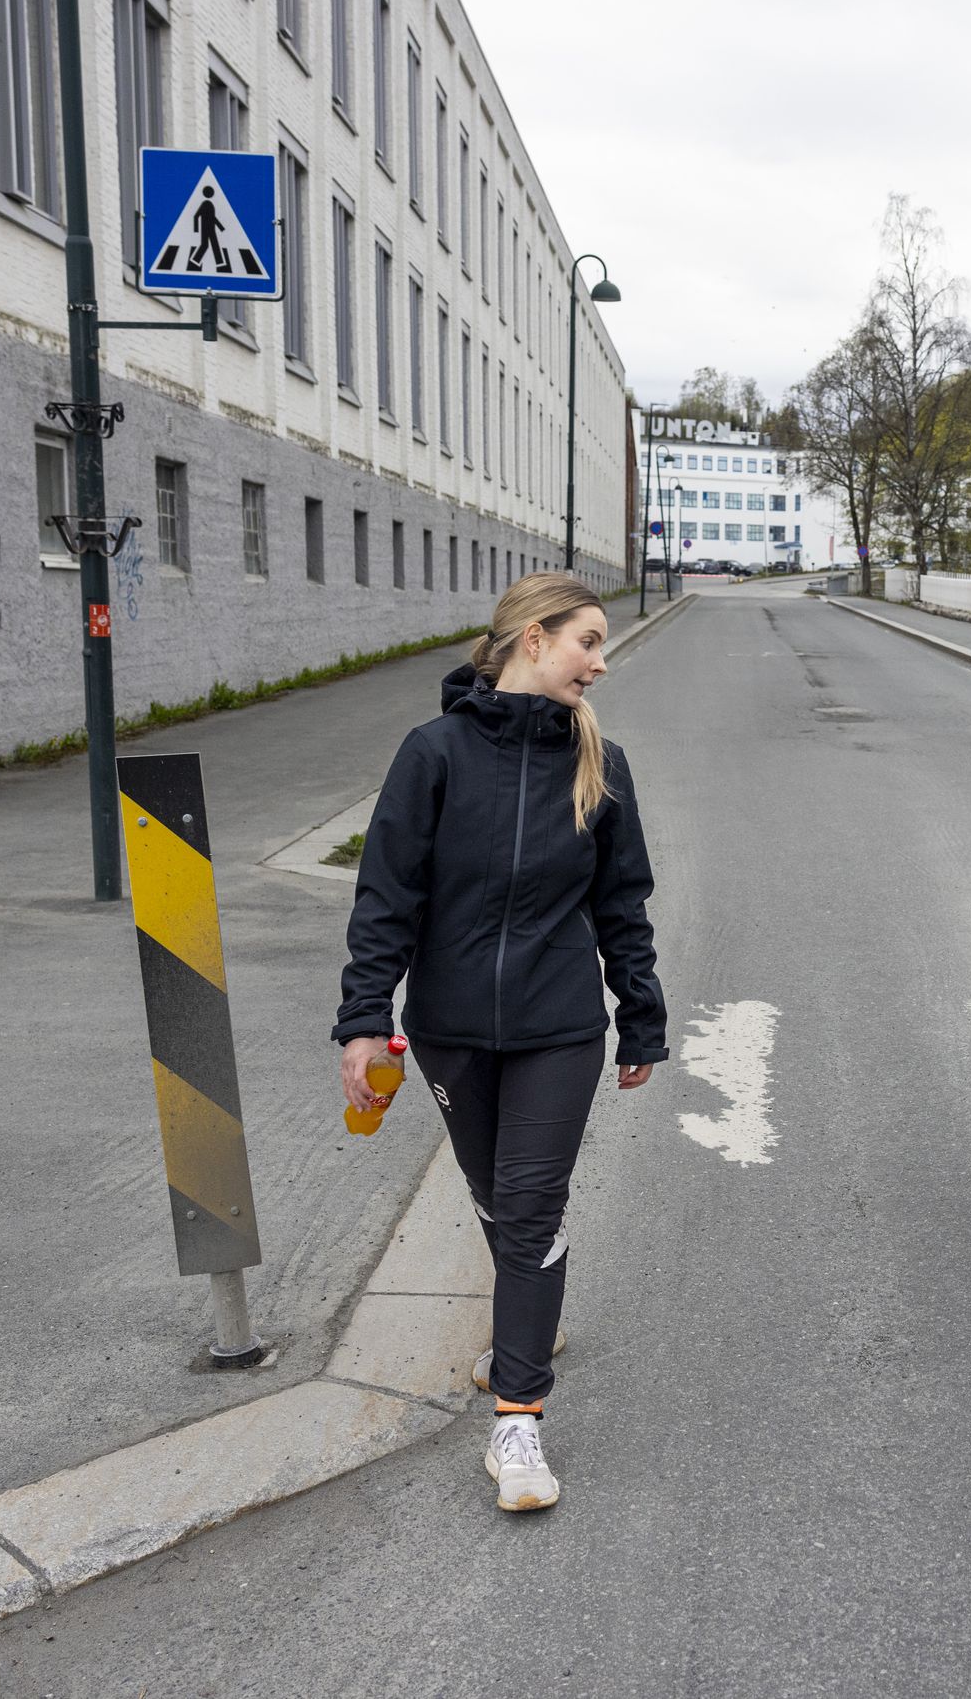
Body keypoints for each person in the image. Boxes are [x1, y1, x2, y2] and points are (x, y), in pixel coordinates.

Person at [336, 573, 666, 1513]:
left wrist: (640, 1014)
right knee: (492, 1193)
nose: (601, 663)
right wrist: (365, 1017)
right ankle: (532, 1308)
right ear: (531, 638)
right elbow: (387, 896)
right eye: (588, 642)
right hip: (448, 1031)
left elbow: (622, 907)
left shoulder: (602, 766)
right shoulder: (433, 754)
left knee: (527, 1205)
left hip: (558, 1026)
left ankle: (517, 1417)